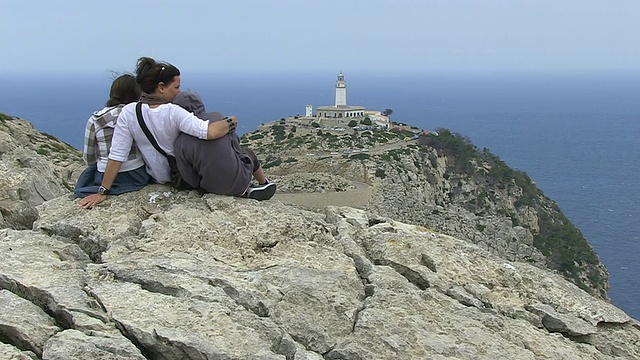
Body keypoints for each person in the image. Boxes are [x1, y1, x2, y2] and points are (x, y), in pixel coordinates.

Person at [78, 57, 274, 209]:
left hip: (157, 178)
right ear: (161, 88)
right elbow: (209, 132)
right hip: (182, 179)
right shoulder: (173, 112)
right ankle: (246, 185)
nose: (178, 92)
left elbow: (117, 155)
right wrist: (231, 121)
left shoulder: (130, 111)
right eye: (176, 87)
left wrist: (103, 191)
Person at [172, 91, 275, 198]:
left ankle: (243, 190)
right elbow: (235, 146)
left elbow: (189, 176)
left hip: (210, 188)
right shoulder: (219, 120)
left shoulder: (179, 141)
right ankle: (263, 183)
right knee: (247, 152)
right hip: (239, 179)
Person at [74, 74, 150, 198]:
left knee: (89, 172)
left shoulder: (95, 120)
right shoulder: (140, 114)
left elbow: (89, 158)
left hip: (105, 175)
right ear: (137, 94)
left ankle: (87, 190)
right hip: (138, 175)